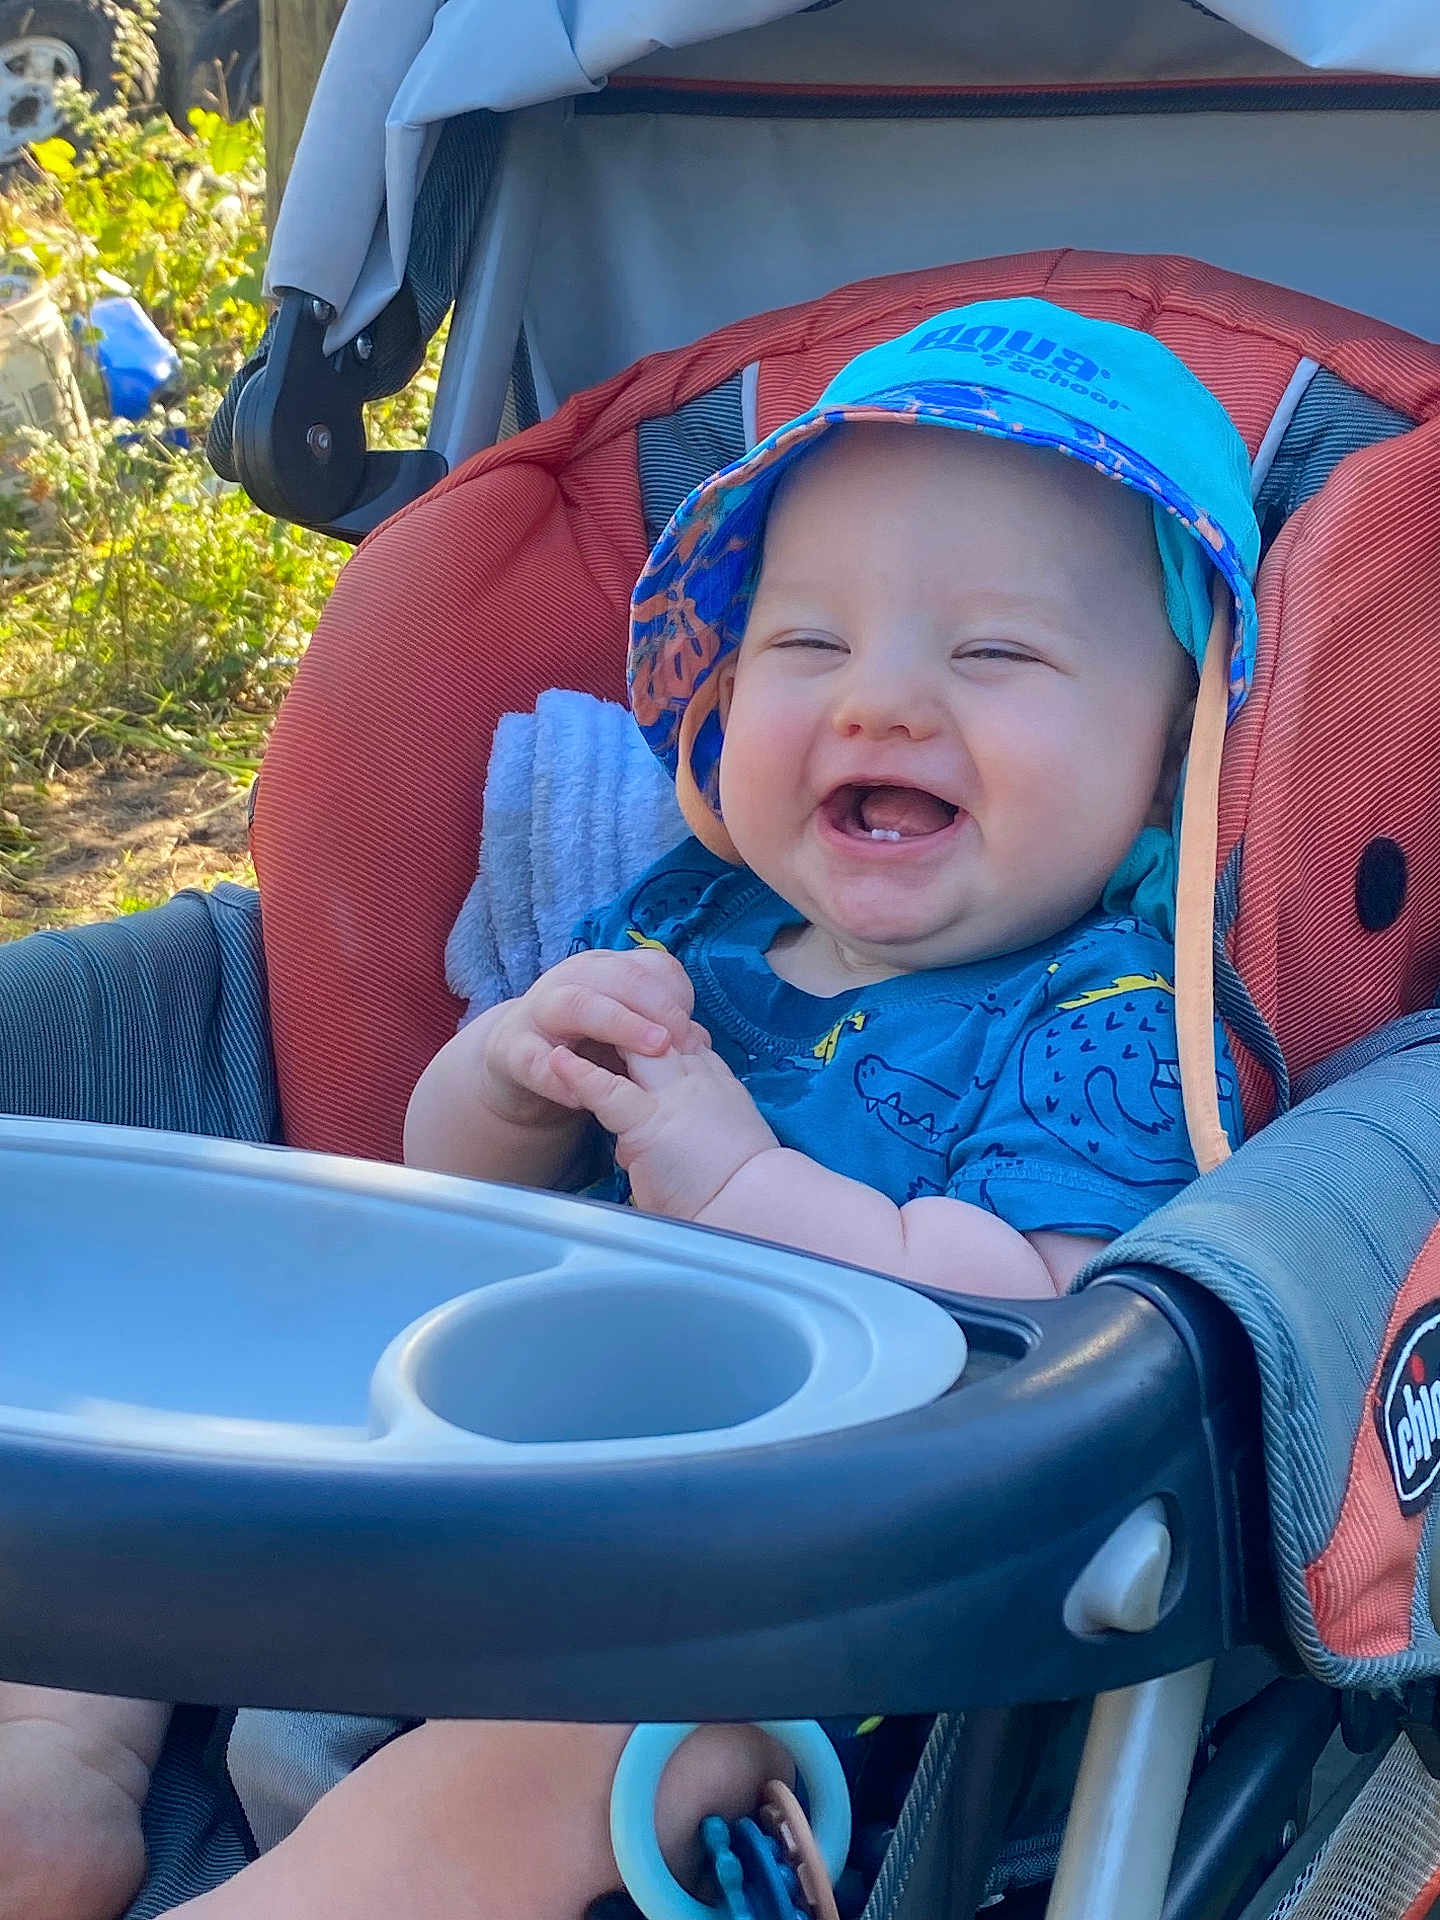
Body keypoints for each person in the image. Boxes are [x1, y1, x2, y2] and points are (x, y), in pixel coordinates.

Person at [0, 297, 1258, 1920]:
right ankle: (61, 1753)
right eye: (807, 644)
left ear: (1173, 758)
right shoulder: (686, 918)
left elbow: (1028, 1335)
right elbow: (443, 1189)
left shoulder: (1111, 1024)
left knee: (588, 1750)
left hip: (776, 1622)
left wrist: (728, 1177)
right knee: (174, 1369)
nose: (876, 703)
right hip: (432, 1478)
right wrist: (512, 1072)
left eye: (996, 654)